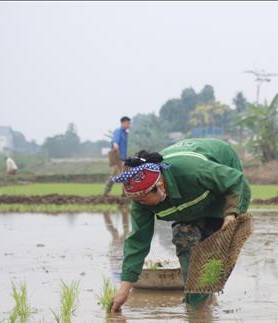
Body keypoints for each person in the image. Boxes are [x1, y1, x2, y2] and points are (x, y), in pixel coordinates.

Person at [108, 138, 251, 312]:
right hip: (188, 200)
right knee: (184, 238)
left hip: (219, 183)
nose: (141, 204)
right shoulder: (140, 199)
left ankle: (200, 305)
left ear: (159, 185)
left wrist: (230, 214)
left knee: (212, 246)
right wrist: (124, 289)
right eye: (137, 201)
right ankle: (198, 305)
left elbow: (236, 181)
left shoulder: (193, 171)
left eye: (144, 200)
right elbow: (138, 240)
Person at [103, 116, 131, 196]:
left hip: (123, 158)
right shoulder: (118, 131)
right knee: (122, 175)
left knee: (116, 175)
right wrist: (115, 145)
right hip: (118, 159)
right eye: (127, 123)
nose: (129, 125)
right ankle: (124, 194)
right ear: (123, 123)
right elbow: (115, 142)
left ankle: (108, 192)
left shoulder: (125, 133)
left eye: (129, 123)